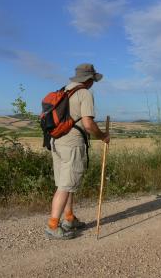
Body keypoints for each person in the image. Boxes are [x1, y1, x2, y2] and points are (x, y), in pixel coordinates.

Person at [45, 63, 110, 240]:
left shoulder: (64, 90)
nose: (93, 84)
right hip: (72, 144)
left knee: (66, 183)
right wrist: (103, 136)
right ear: (89, 80)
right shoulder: (84, 94)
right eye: (93, 80)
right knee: (66, 186)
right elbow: (88, 124)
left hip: (56, 142)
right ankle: (52, 226)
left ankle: (69, 219)